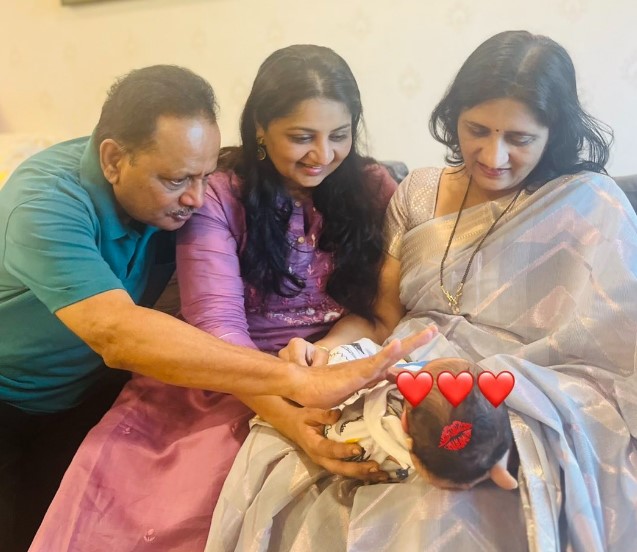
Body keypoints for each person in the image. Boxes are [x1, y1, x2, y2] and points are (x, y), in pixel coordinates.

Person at [208, 31, 637, 552]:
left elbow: (619, 354)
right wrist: (325, 352)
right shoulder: (418, 192)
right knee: (316, 454)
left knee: (441, 494)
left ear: (555, 132)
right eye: (477, 130)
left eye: (520, 139)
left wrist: (491, 397)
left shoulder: (589, 203)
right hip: (404, 371)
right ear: (454, 116)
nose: (494, 155)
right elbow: (381, 320)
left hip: (529, 390)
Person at [0, 63, 432, 552]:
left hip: (88, 389)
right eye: (177, 179)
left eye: (205, 175)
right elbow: (118, 332)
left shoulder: (186, 192)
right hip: (13, 397)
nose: (196, 198)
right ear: (114, 159)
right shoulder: (42, 205)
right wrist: (295, 384)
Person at [318, 340, 517, 489]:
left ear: (404, 422)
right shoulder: (446, 454)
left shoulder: (367, 433)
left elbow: (331, 427)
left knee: (345, 357)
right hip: (465, 467)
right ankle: (496, 470)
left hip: (341, 401)